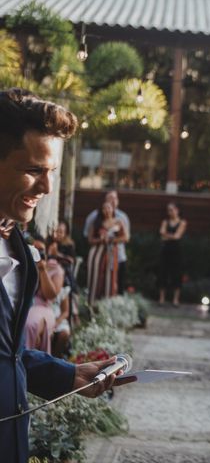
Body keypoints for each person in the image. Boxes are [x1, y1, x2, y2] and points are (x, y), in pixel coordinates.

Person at [0, 88, 129, 463]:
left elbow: (8, 353)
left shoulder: (19, 246)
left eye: (52, 171)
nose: (47, 187)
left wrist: (66, 376)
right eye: (34, 170)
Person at [83, 190, 130, 293]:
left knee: (117, 284)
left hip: (119, 256)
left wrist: (111, 240)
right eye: (110, 198)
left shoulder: (122, 218)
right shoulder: (94, 217)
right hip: (100, 255)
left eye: (115, 198)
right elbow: (88, 236)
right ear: (105, 200)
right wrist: (100, 240)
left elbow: (126, 237)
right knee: (100, 282)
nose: (113, 201)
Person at [24, 237, 64, 353]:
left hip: (43, 307)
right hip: (23, 304)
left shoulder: (55, 268)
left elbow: (51, 295)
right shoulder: (22, 263)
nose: (36, 252)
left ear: (46, 252)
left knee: (29, 325)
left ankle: (27, 362)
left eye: (40, 250)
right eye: (34, 249)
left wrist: (42, 270)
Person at [158, 202, 187, 306]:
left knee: (177, 274)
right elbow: (161, 233)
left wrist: (167, 236)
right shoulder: (165, 221)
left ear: (177, 210)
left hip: (177, 252)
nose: (170, 212)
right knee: (163, 274)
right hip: (165, 251)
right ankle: (161, 298)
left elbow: (177, 236)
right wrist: (171, 236)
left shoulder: (182, 222)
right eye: (168, 210)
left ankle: (175, 299)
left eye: (172, 209)